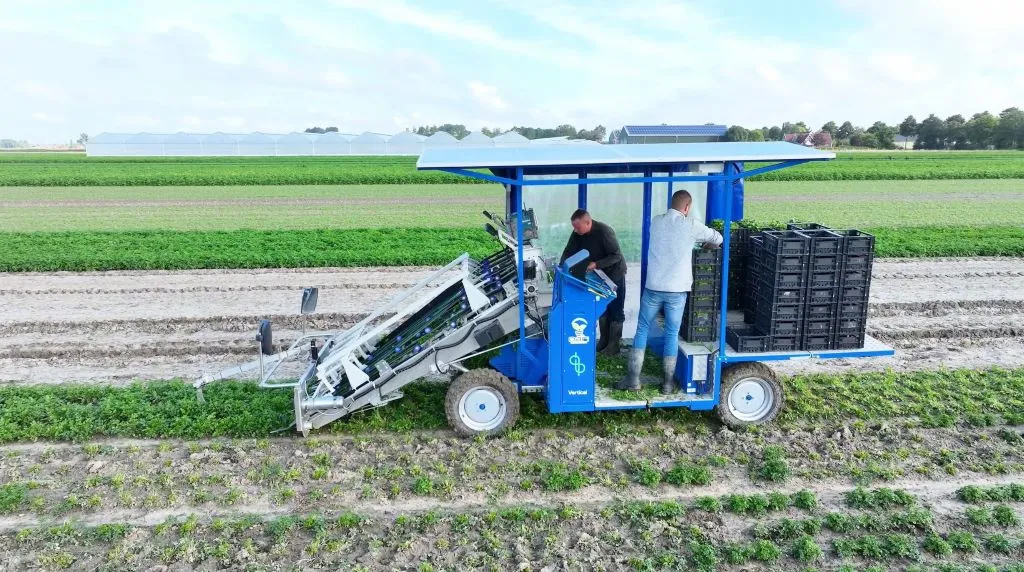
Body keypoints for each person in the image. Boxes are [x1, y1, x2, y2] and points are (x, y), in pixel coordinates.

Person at [617, 190, 723, 394]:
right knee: (671, 333)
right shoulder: (691, 225)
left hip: (653, 287)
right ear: (687, 207)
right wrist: (706, 243)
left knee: (642, 329)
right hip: (677, 290)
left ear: (671, 204)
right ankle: (667, 383)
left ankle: (633, 380)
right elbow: (717, 239)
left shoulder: (656, 221)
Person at [558, 209, 627, 355]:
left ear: (588, 222)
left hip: (614, 275)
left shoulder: (604, 232)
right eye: (574, 227)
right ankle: (603, 341)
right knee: (601, 307)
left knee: (615, 309)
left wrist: (596, 264)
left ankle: (614, 346)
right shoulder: (577, 234)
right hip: (599, 276)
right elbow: (568, 251)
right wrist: (562, 267)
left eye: (578, 227)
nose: (575, 231)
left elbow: (616, 256)